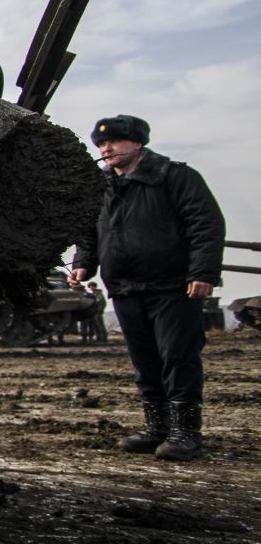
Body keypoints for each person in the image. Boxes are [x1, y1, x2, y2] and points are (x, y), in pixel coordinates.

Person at [70, 115, 224, 462]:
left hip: (172, 286)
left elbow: (206, 224)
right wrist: (83, 262)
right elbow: (88, 229)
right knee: (145, 361)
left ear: (138, 143)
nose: (105, 149)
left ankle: (185, 433)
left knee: (177, 356)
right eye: (100, 144)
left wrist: (203, 272)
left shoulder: (174, 176)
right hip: (124, 288)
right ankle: (157, 428)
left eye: (114, 142)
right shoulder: (101, 186)